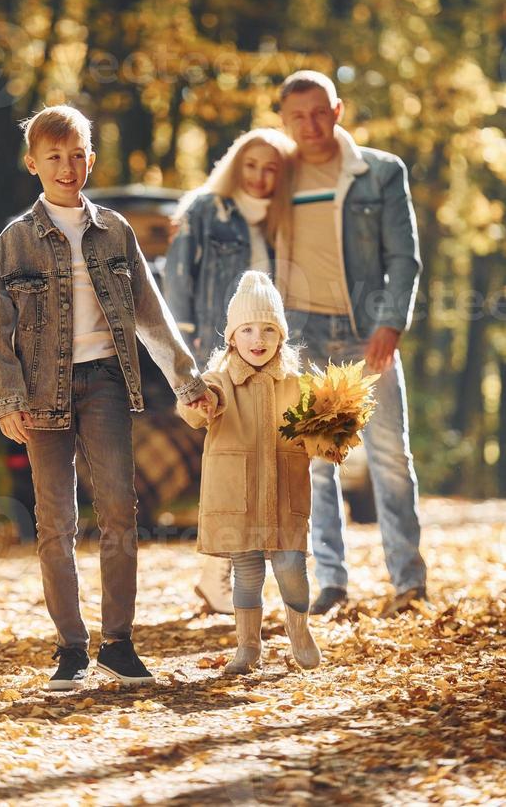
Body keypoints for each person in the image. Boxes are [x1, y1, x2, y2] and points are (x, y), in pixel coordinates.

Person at [0, 104, 210, 690]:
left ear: (91, 160)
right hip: (40, 396)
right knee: (54, 521)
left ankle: (120, 643)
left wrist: (187, 380)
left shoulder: (115, 231)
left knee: (120, 513)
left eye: (77, 155)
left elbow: (150, 314)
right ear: (34, 164)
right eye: (54, 157)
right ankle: (70, 648)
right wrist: (8, 400)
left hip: (105, 382)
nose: (67, 166)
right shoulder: (14, 243)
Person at [276, 70, 427, 617]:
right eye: (298, 116)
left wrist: (391, 321)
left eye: (320, 112)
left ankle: (409, 583)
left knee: (389, 457)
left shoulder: (380, 172)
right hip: (305, 334)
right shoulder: (278, 176)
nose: (310, 124)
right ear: (284, 122)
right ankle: (332, 584)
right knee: (317, 461)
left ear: (338, 110)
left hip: (369, 333)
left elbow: (403, 257)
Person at [164, 128, 296, 615]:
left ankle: (226, 575)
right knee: (227, 465)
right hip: (219, 357)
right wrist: (188, 362)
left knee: (264, 460)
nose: (260, 178)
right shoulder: (205, 209)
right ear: (235, 165)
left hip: (266, 357)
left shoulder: (282, 219)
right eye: (252, 166)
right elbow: (177, 285)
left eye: (271, 169)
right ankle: (216, 572)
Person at [178, 271, 321, 674]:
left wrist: (330, 436)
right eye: (247, 330)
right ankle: (248, 647)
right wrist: (199, 403)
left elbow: (317, 434)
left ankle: (299, 631)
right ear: (232, 337)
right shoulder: (220, 381)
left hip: (285, 494)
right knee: (247, 572)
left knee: (292, 566)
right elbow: (196, 403)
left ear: (280, 337)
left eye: (268, 330)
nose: (258, 339)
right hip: (237, 498)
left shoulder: (295, 385)